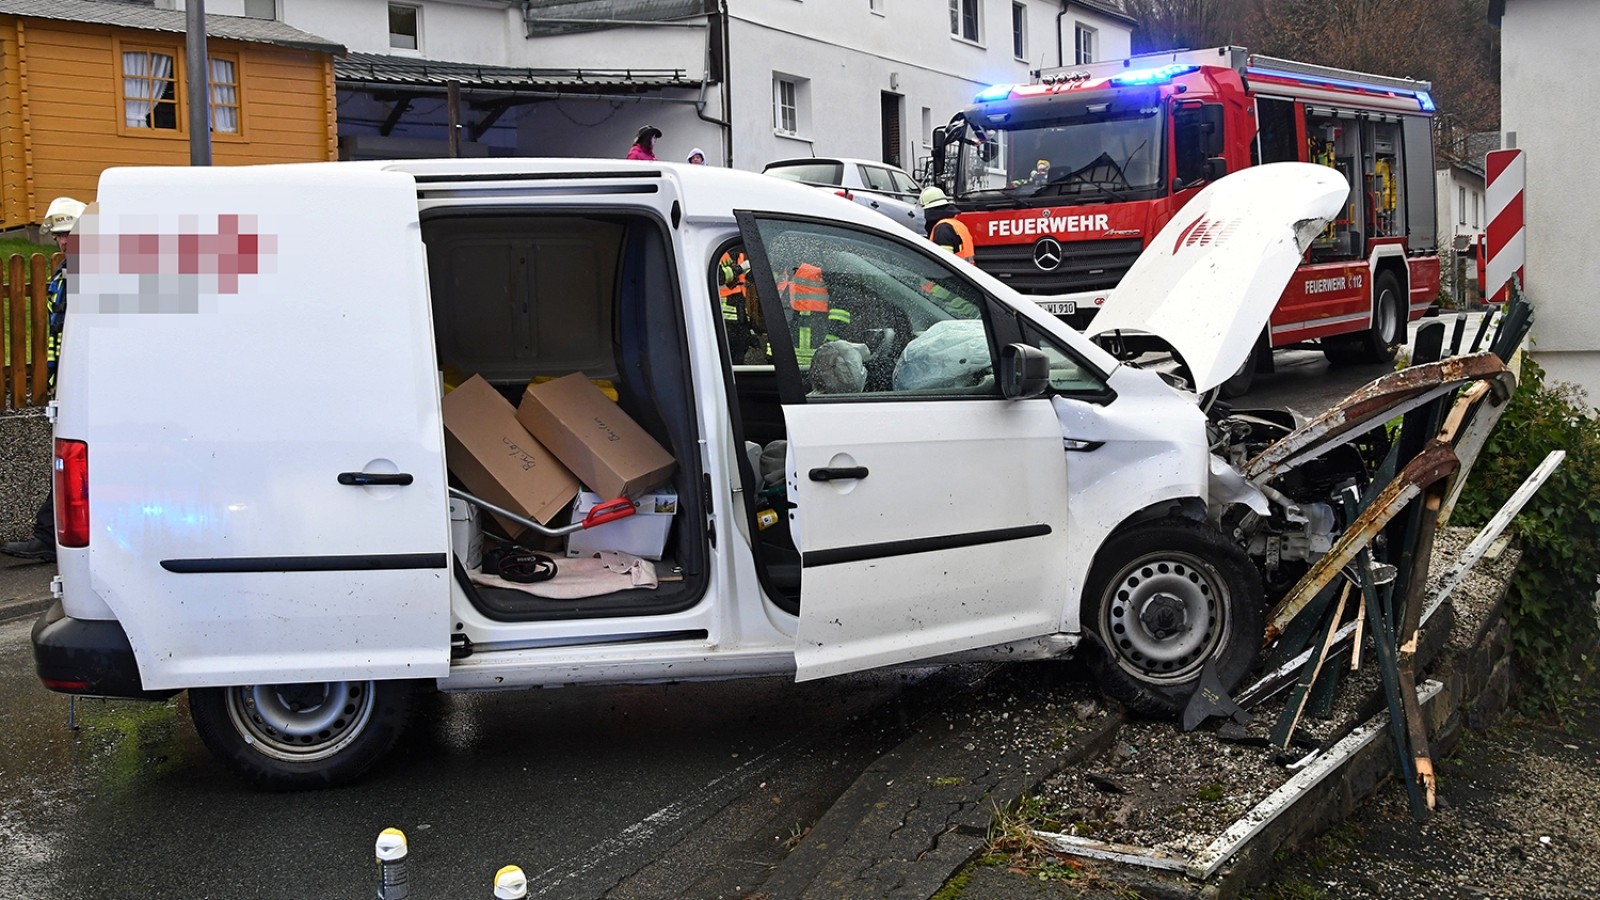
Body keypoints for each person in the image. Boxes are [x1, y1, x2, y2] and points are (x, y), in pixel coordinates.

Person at [3, 196, 86, 563]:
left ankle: (47, 536)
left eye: (69, 234)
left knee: (72, 465)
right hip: (72, 385)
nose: (63, 242)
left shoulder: (96, 276)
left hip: (88, 387)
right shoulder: (66, 274)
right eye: (59, 237)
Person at [918, 186, 975, 263]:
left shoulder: (942, 230)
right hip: (966, 272)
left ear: (929, 211)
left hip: (953, 273)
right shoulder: (956, 224)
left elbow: (944, 261)